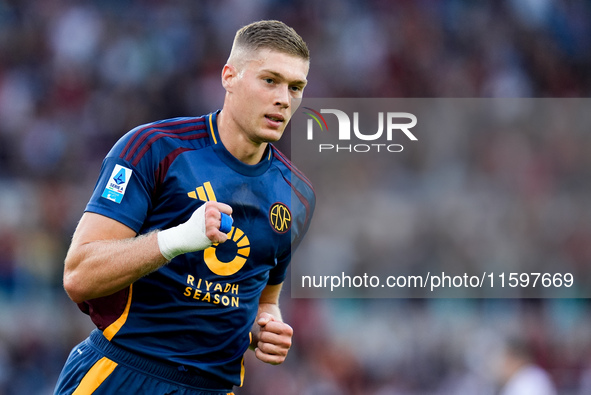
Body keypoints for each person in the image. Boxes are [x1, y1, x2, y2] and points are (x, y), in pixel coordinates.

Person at [54, 19, 315, 395]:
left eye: (296, 87)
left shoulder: (298, 195)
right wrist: (176, 239)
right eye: (270, 80)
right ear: (229, 76)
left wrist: (266, 327)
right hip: (122, 374)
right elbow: (78, 276)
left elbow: (265, 300)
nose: (283, 99)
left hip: (214, 387)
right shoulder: (154, 149)